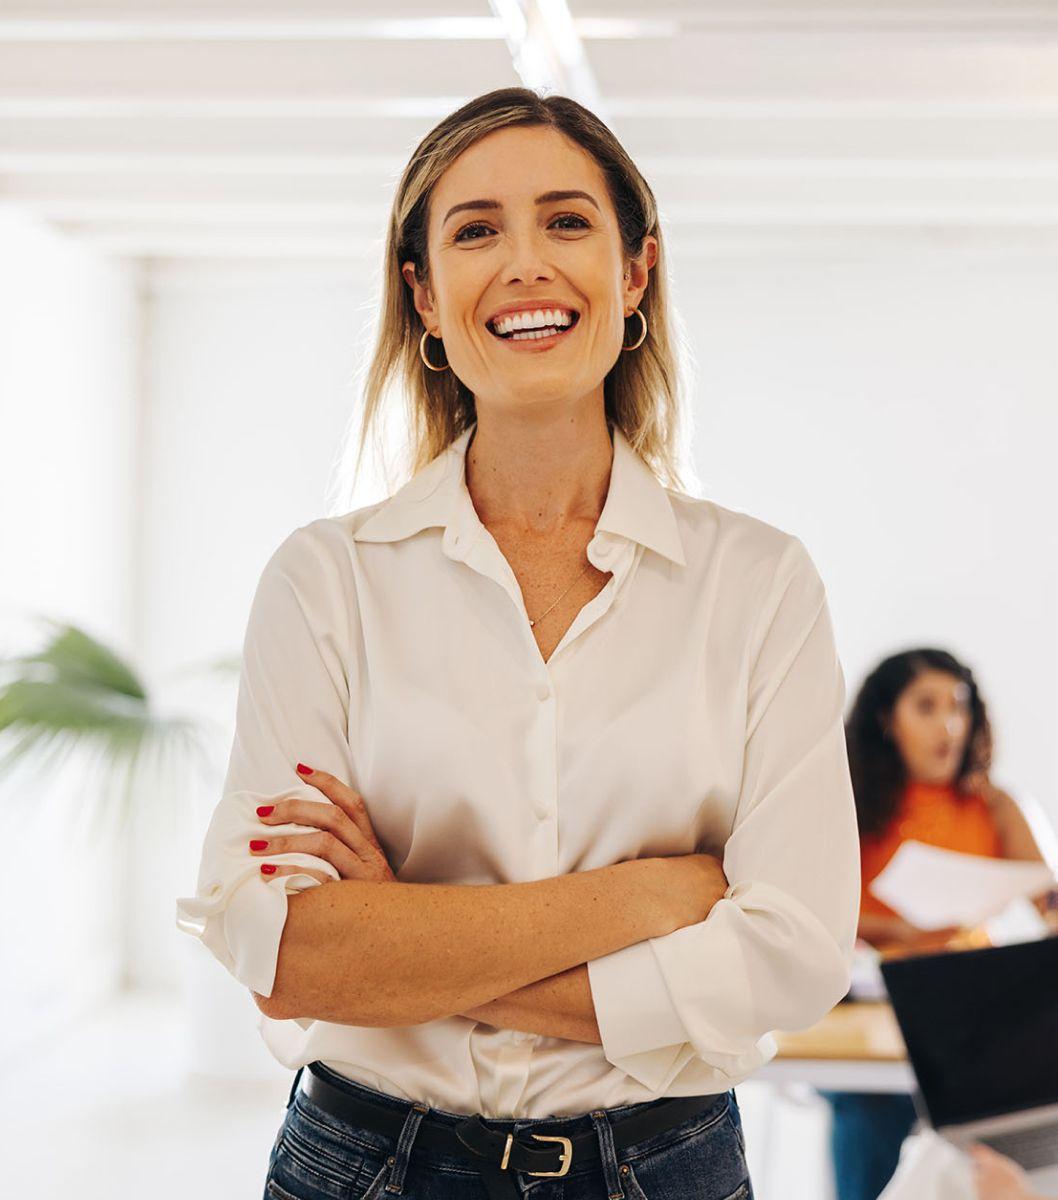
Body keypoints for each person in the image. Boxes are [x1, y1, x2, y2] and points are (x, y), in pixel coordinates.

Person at [176, 86, 862, 1200]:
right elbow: (284, 948)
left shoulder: (757, 584)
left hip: (664, 1166)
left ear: (634, 272)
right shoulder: (327, 580)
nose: (525, 264)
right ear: (425, 296)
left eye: (567, 221)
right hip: (365, 1163)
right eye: (476, 230)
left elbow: (787, 957)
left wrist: (402, 941)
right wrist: (652, 896)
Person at [820, 648, 1054, 1200]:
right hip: (871, 1005)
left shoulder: (995, 805)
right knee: (870, 1111)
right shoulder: (848, 806)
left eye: (959, 707)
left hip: (969, 1008)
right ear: (887, 719)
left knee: (984, 1124)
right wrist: (896, 934)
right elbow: (814, 910)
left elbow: (1047, 897)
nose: (948, 724)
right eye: (926, 707)